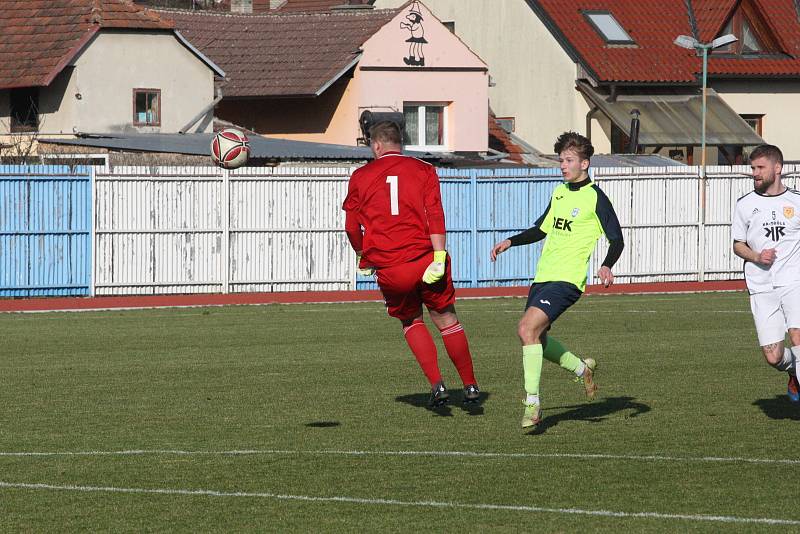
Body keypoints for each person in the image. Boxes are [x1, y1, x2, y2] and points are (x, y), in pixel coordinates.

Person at [490, 131, 624, 429]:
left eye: (569, 160)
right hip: (544, 276)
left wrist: (606, 265)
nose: (563, 165)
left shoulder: (596, 198)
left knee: (526, 329)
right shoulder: (560, 193)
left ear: (585, 163)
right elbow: (542, 229)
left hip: (568, 280)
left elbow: (617, 239)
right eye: (561, 160)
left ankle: (532, 403)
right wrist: (511, 241)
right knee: (537, 337)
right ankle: (581, 368)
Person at [342, 120, 480, 406]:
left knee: (411, 320)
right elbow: (435, 215)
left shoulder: (360, 176)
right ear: (399, 143)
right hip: (426, 258)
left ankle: (438, 386)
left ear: (377, 145)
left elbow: (352, 227)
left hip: (392, 267)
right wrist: (439, 256)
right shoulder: (424, 170)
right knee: (447, 320)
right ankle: (470, 386)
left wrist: (361, 254)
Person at [732, 144, 800, 403]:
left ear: (778, 168)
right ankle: (793, 371)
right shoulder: (745, 205)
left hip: (794, 282)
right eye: (753, 168)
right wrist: (757, 256)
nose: (755, 173)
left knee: (797, 336)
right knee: (773, 356)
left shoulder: (796, 201)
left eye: (760, 168)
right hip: (762, 286)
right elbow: (738, 244)